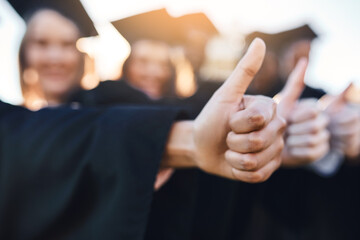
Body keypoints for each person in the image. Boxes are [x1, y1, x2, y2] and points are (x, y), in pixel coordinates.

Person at [0, 35, 288, 239]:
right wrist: (187, 141)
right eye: (143, 60)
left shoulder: (189, 110)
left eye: (161, 63)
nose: (152, 71)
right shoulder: (95, 103)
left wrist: (275, 134)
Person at [242, 25, 360, 240]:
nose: (302, 62)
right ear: (279, 56)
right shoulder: (254, 96)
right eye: (296, 55)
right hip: (261, 213)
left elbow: (346, 127)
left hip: (311, 214)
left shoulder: (320, 96)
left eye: (307, 56)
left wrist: (350, 143)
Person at [13, 0, 97, 109]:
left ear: (81, 54)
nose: (55, 57)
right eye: (41, 43)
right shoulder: (12, 121)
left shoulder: (109, 117)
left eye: (67, 44)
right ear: (24, 52)